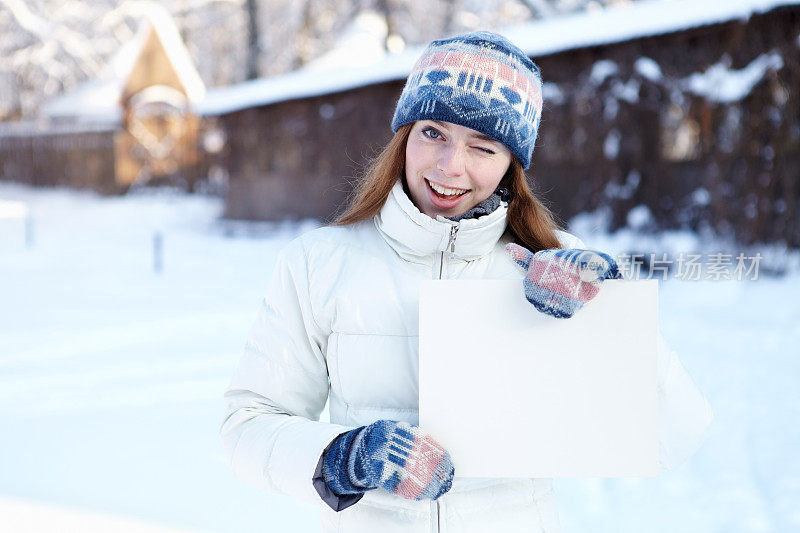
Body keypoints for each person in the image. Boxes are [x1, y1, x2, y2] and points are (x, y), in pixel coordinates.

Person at [220, 31, 713, 532]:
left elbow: (676, 434)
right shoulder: (318, 263)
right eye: (433, 132)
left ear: (510, 166)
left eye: (483, 146)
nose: (450, 167)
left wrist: (606, 317)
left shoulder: (555, 262)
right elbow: (246, 427)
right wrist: (344, 457)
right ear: (404, 136)